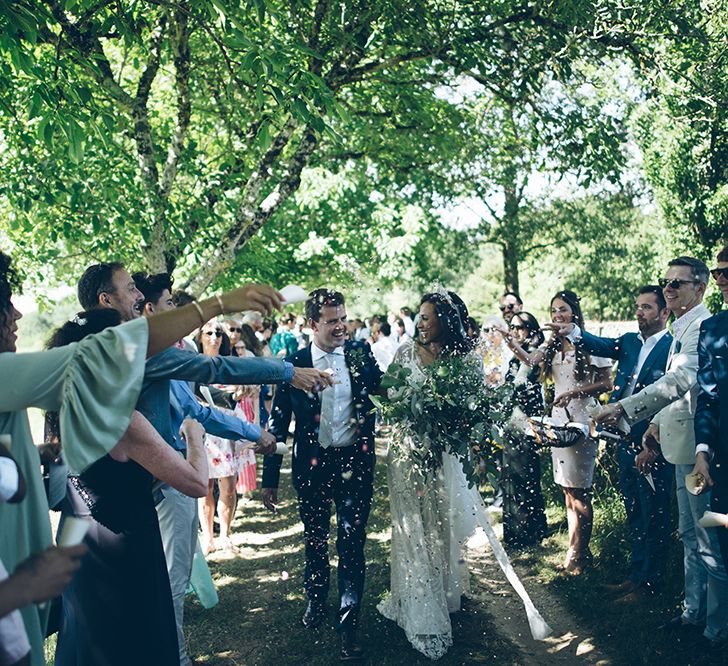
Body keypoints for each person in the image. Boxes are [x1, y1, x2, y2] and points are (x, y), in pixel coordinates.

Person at [0, 251, 284, 666]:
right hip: (98, 551)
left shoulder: (51, 396)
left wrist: (34, 458)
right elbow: (190, 477)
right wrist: (218, 305)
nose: (17, 314)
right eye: (6, 304)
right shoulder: (109, 410)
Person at [378, 291, 549, 659]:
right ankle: (418, 603)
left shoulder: (464, 359)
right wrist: (412, 408)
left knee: (443, 523)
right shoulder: (406, 353)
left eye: (427, 317)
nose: (420, 323)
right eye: (419, 317)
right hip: (409, 453)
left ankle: (443, 591)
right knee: (414, 525)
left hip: (445, 455)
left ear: (445, 319)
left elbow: (472, 412)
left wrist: (454, 419)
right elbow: (388, 394)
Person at [594, 256, 727, 647]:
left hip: (703, 450)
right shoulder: (681, 325)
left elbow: (682, 381)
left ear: (699, 289)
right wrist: (654, 427)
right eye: (665, 283)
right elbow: (677, 396)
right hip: (680, 446)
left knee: (709, 539)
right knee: (689, 534)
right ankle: (692, 613)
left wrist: (623, 407)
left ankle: (716, 630)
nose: (668, 289)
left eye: (677, 284)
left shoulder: (705, 325)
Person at [262, 289, 382, 661]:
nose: (340, 326)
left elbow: (386, 392)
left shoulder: (361, 355)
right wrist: (269, 479)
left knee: (351, 541)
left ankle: (349, 622)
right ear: (313, 324)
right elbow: (278, 423)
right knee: (315, 538)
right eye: (332, 320)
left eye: (343, 318)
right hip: (312, 467)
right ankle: (315, 598)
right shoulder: (294, 363)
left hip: (355, 464)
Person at [552, 286, 673, 598]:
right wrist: (574, 331)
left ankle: (651, 582)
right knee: (633, 510)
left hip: (650, 440)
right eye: (637, 306)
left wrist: (653, 443)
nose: (639, 312)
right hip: (621, 437)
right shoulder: (630, 342)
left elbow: (669, 398)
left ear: (664, 313)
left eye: (647, 307)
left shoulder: (672, 347)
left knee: (653, 515)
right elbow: (601, 344)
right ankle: (635, 577)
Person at [503, 290, 613, 575]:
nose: (557, 315)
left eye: (562, 310)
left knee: (579, 492)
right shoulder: (552, 344)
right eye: (553, 310)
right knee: (566, 490)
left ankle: (580, 554)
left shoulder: (589, 345)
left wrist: (576, 391)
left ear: (574, 313)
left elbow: (606, 383)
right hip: (558, 421)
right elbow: (530, 361)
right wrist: (509, 341)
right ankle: (575, 553)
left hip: (581, 419)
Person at [692, 246, 728, 570]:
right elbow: (708, 397)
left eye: (727, 272)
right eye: (718, 272)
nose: (721, 279)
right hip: (724, 466)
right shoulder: (712, 329)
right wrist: (702, 452)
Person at [502, 312, 547, 549]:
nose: (515, 330)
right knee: (512, 476)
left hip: (526, 422)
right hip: (512, 421)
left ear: (530, 329)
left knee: (526, 476)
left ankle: (528, 531)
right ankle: (517, 531)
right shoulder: (515, 355)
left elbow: (523, 380)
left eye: (519, 327)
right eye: (512, 326)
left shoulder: (534, 352)